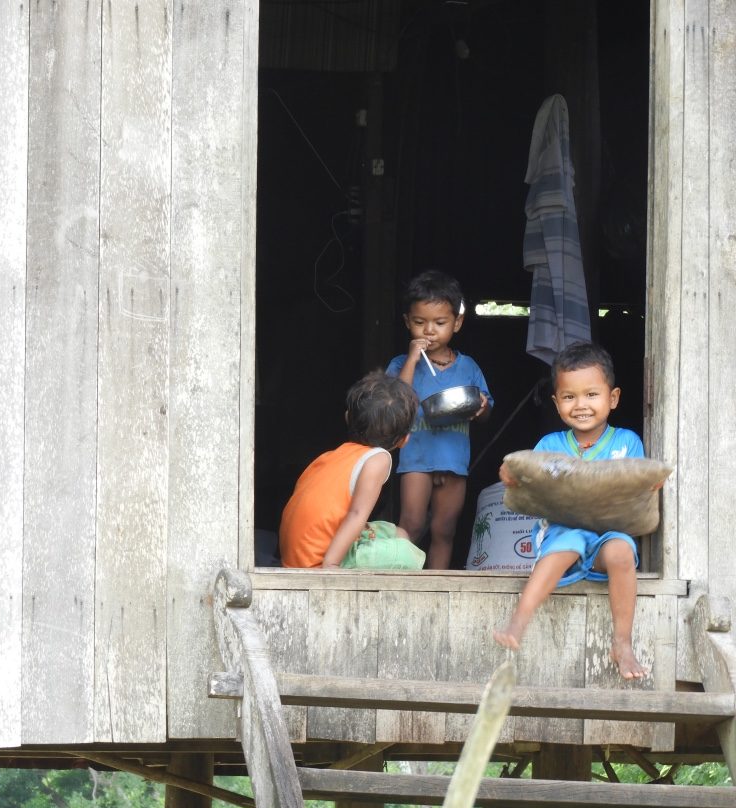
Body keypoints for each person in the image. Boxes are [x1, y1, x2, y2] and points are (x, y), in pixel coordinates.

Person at [494, 341, 654, 679]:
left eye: (591, 395)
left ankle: (622, 643)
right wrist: (512, 476)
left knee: (622, 550)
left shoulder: (627, 442)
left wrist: (650, 485)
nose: (580, 405)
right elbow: (529, 482)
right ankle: (519, 621)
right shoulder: (549, 446)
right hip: (562, 534)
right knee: (569, 542)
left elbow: (637, 485)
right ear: (556, 402)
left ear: (612, 398)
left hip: (606, 537)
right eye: (569, 397)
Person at [387, 270, 493, 569]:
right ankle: (399, 581)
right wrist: (411, 359)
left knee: (444, 530)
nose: (429, 331)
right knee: (412, 524)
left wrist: (482, 407)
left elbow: (486, 412)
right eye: (420, 323)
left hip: (453, 460)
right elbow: (398, 402)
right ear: (408, 322)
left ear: (457, 323)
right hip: (416, 459)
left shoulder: (468, 367)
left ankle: (436, 586)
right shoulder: (400, 364)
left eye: (440, 323)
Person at [279, 370, 425, 570]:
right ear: (404, 439)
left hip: (296, 557)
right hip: (318, 563)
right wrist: (331, 564)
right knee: (407, 555)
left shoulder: (329, 456)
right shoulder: (379, 459)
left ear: (348, 417)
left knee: (400, 534)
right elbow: (356, 514)